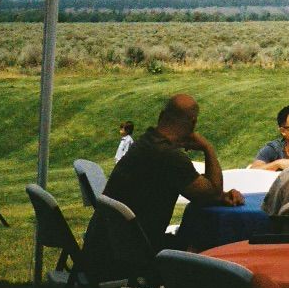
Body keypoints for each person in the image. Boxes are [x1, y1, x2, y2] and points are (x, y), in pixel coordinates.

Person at [91, 94, 243, 258]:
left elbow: (202, 190)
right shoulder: (169, 156)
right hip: (132, 256)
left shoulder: (146, 143)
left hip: (107, 249)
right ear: (193, 123)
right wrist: (208, 148)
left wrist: (217, 196)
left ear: (162, 116)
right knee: (210, 244)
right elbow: (211, 192)